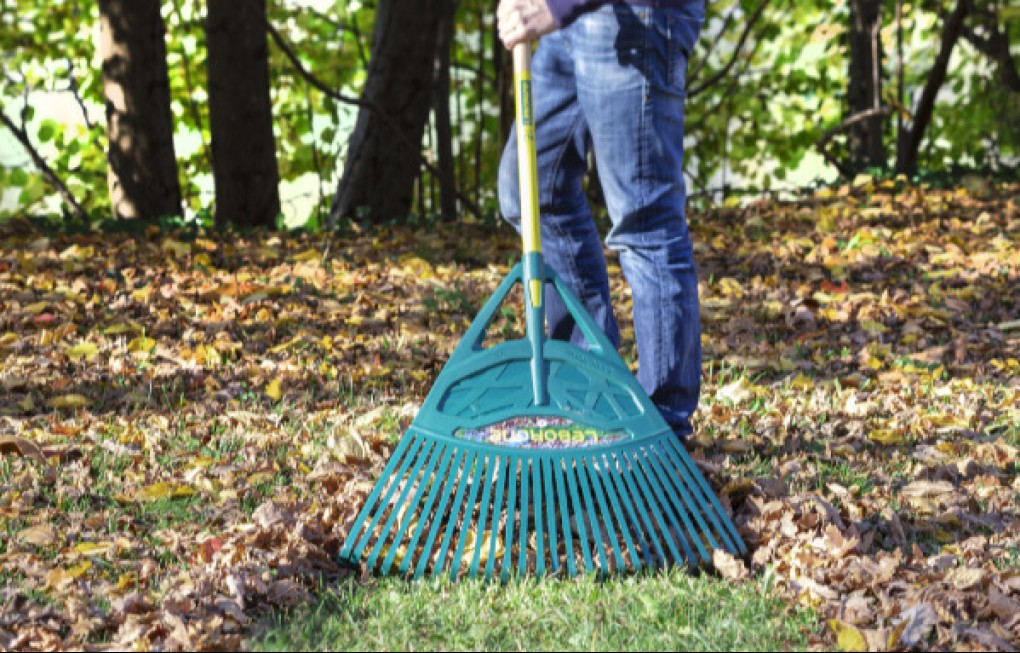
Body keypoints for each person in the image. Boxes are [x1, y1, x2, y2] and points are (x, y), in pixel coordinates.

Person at [495, 0, 706, 439]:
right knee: (531, 192)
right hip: (572, 26)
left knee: (644, 219)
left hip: (637, 18)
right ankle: (588, 385)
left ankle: (661, 429)